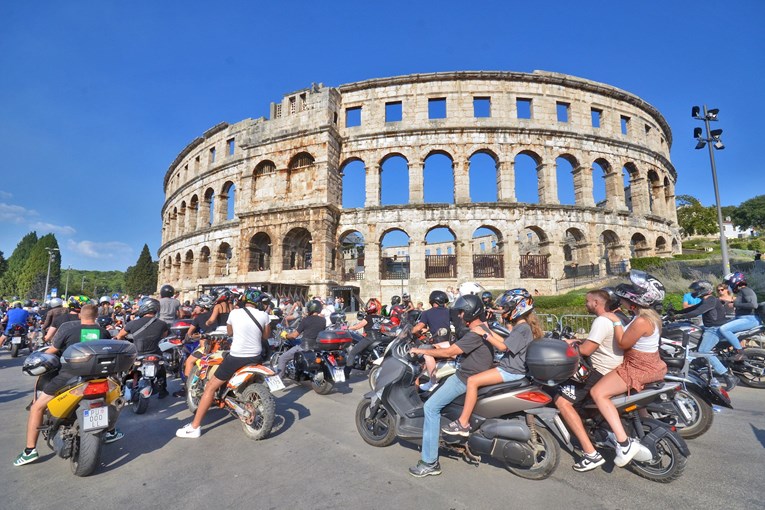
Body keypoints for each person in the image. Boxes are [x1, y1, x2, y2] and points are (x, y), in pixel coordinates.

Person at [13, 304, 119, 467]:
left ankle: (30, 451)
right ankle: (111, 431)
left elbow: (52, 351)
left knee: (37, 407)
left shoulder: (69, 331)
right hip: (98, 377)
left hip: (70, 376)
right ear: (96, 316)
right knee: (109, 402)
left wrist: (38, 355)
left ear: (80, 316)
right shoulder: (103, 332)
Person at [407, 294, 494, 477]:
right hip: (473, 372)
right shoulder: (484, 328)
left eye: (462, 312)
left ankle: (429, 463)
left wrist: (419, 350)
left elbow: (451, 351)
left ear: (470, 312)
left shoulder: (476, 331)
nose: (460, 316)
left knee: (430, 407)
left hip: (464, 377)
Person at [589, 270, 668, 468]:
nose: (623, 300)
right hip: (653, 364)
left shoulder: (641, 321)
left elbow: (623, 343)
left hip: (638, 367)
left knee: (598, 393)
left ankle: (624, 444)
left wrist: (615, 321)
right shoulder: (652, 317)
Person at [442, 288, 543, 438]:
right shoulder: (522, 327)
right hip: (510, 368)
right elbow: (505, 341)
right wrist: (487, 329)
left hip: (511, 371)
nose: (503, 310)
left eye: (506, 307)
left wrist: (483, 333)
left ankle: (463, 423)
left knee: (472, 381)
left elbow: (501, 346)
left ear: (517, 307)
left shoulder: (522, 328)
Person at [176, 288, 270, 438]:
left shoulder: (235, 313)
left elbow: (230, 332)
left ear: (244, 300)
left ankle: (194, 427)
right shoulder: (264, 315)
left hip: (237, 356)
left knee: (210, 387)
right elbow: (266, 336)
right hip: (256, 357)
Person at [553, 289, 624, 472]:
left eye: (587, 301)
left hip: (599, 371)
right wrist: (577, 340)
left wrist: (567, 347)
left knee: (562, 401)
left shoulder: (601, 320)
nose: (586, 304)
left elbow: (585, 351)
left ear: (596, 303)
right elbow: (596, 342)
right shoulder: (613, 318)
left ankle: (590, 453)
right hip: (614, 368)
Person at [672, 280, 738, 389]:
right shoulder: (706, 300)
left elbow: (697, 312)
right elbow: (693, 308)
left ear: (703, 290)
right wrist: (676, 312)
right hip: (708, 327)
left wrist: (678, 317)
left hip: (714, 329)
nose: (694, 292)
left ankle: (727, 375)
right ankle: (697, 368)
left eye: (696, 290)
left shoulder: (711, 300)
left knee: (703, 351)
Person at [116, 298, 171, 398]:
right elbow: (164, 335)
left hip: (138, 354)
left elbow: (120, 336)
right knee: (161, 369)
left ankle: (120, 387)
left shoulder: (132, 323)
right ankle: (163, 390)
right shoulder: (162, 324)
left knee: (124, 368)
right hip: (155, 353)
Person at [412, 290, 452, 391]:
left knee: (424, 356)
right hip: (450, 342)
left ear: (432, 300)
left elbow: (418, 327)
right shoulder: (449, 311)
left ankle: (432, 382)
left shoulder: (427, 313)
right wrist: (428, 329)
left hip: (438, 344)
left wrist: (409, 331)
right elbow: (441, 324)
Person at [717, 272, 761, 361]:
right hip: (742, 318)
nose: (729, 286)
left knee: (724, 329)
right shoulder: (742, 291)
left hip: (749, 319)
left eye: (729, 283)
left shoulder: (746, 290)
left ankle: (740, 352)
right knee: (717, 327)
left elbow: (753, 305)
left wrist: (735, 304)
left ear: (734, 281)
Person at [276, 299, 326, 376]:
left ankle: (278, 380)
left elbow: (294, 335)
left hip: (305, 347)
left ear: (310, 308)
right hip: (317, 347)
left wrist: (285, 335)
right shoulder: (323, 320)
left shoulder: (305, 320)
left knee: (282, 358)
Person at [345, 299, 383, 377]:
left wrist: (346, 328)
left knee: (352, 353)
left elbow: (357, 327)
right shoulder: (379, 317)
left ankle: (346, 373)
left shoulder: (368, 318)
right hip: (378, 338)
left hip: (369, 339)